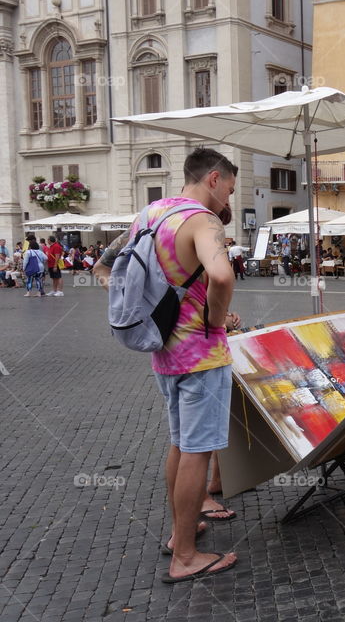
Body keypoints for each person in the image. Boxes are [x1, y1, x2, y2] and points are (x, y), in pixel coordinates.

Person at [93, 147, 240, 583]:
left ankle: (181, 534)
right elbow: (222, 275)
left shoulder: (149, 214)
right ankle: (187, 556)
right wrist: (214, 322)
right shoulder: (202, 220)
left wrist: (150, 309)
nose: (228, 200)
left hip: (164, 352)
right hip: (201, 355)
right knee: (197, 449)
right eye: (229, 188)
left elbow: (107, 269)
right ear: (213, 178)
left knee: (179, 443)